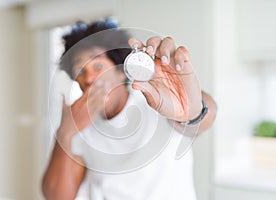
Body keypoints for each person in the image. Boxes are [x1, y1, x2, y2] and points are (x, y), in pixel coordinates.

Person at [42, 19, 217, 200]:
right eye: (80, 71)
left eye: (98, 66)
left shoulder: (155, 102)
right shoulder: (79, 127)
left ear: (121, 70)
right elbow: (57, 197)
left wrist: (192, 111)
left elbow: (208, 115)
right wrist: (64, 133)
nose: (89, 79)